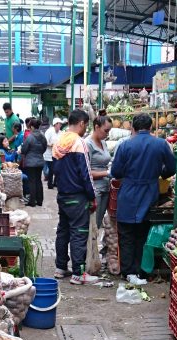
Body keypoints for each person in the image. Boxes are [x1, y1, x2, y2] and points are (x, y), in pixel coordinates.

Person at [110, 112, 176, 286]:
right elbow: (172, 167)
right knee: (142, 234)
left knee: (126, 235)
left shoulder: (125, 145)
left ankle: (128, 272)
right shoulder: (161, 144)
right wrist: (159, 173)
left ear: (133, 128)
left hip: (129, 192)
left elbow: (116, 172)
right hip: (150, 192)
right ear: (151, 127)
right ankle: (140, 272)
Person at [53, 109, 109, 286]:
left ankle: (60, 267)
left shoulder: (59, 141)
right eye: (85, 125)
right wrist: (92, 196)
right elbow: (86, 174)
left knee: (63, 231)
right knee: (79, 233)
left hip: (62, 195)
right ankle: (78, 273)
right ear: (82, 123)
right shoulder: (79, 143)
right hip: (77, 196)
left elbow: (54, 170)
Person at [85, 114, 114, 267]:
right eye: (105, 130)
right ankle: (88, 260)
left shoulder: (103, 142)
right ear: (96, 127)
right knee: (92, 225)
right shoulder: (87, 144)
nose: (107, 134)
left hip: (105, 188)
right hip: (94, 190)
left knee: (98, 225)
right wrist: (106, 173)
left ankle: (94, 258)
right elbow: (86, 172)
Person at [21, 118, 47, 207]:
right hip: (40, 161)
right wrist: (39, 154)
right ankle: (40, 201)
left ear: (31, 127)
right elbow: (44, 147)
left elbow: (24, 150)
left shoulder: (30, 137)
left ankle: (32, 201)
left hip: (31, 163)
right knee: (38, 180)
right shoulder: (43, 136)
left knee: (32, 181)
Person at [44, 119, 62, 188]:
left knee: (57, 168)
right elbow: (45, 142)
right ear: (55, 124)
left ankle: (55, 182)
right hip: (49, 153)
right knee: (51, 169)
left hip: (57, 153)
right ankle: (50, 184)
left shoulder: (60, 132)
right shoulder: (49, 131)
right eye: (59, 124)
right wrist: (52, 145)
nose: (60, 125)